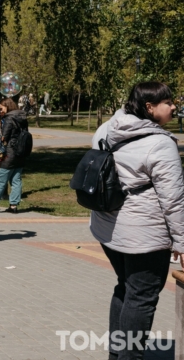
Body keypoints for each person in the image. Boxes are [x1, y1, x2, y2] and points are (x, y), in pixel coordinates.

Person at [91, 82, 184, 359]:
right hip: (145, 236)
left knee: (125, 287)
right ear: (149, 107)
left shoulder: (107, 128)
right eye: (168, 102)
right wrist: (182, 241)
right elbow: (174, 201)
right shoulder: (160, 144)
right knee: (141, 297)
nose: (174, 106)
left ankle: (117, 355)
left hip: (108, 227)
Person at [0, 98, 28, 213]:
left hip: (9, 154)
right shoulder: (22, 117)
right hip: (20, 153)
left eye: (1, 108)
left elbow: (3, 137)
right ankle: (13, 205)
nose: (0, 111)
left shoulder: (8, 119)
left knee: (0, 180)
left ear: (7, 106)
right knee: (16, 180)